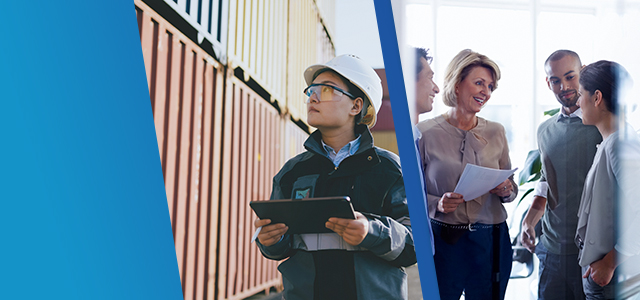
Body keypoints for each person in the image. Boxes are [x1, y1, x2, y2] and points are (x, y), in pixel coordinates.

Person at [254, 54, 416, 300]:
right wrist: (269, 240)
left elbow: (414, 246)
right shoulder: (292, 172)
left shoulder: (390, 169)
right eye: (311, 91)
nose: (314, 98)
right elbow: (281, 248)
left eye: (327, 90)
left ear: (356, 106)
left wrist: (371, 232)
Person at [417, 49, 516, 300]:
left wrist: (507, 189)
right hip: (445, 241)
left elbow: (511, 186)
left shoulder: (496, 131)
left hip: (491, 240)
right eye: (479, 83)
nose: (486, 91)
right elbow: (412, 192)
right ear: (457, 84)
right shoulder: (424, 133)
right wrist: (436, 203)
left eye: (491, 86)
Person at [520, 50, 602, 300]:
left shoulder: (603, 126)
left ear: (583, 73)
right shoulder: (545, 130)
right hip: (552, 251)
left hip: (590, 255)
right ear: (548, 83)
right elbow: (546, 181)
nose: (564, 86)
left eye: (570, 77)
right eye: (555, 80)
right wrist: (529, 221)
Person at [574, 60, 640, 299]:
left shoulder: (620, 144)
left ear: (597, 97)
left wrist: (610, 263)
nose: (578, 102)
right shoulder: (613, 141)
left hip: (611, 277)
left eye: (581, 94)